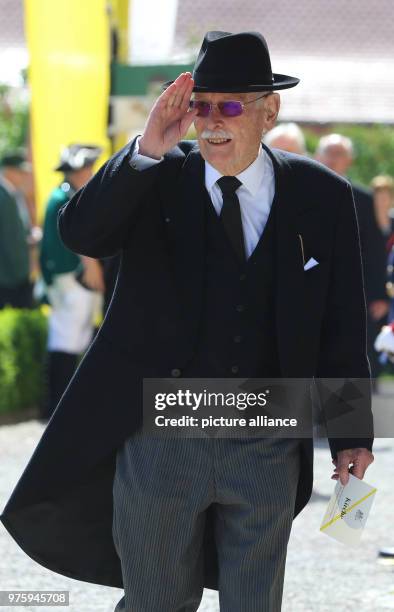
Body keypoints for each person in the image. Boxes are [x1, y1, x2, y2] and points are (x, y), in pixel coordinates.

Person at [1, 31, 374, 612]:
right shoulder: (155, 177)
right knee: (157, 602)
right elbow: (80, 234)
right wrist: (146, 148)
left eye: (230, 106)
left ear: (270, 111)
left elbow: (342, 321)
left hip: (268, 434)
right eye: (201, 106)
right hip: (161, 436)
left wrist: (352, 434)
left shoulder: (321, 195)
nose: (212, 122)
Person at [316, 134, 389, 388]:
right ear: (318, 156)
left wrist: (379, 294)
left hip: (356, 289)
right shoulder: (299, 191)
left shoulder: (364, 198)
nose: (334, 159)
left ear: (349, 160)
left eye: (340, 154)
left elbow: (376, 249)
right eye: (329, 153)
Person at [39, 144, 105, 419]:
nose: (89, 172)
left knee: (76, 339)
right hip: (69, 280)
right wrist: (90, 264)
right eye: (85, 168)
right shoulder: (63, 197)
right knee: (65, 341)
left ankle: (65, 405)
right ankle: (56, 406)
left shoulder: (69, 195)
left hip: (74, 281)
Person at [0, 152, 35, 309]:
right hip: (8, 277)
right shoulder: (3, 196)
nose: (24, 177)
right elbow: (8, 240)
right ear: (9, 171)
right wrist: (21, 275)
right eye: (21, 172)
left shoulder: (12, 194)